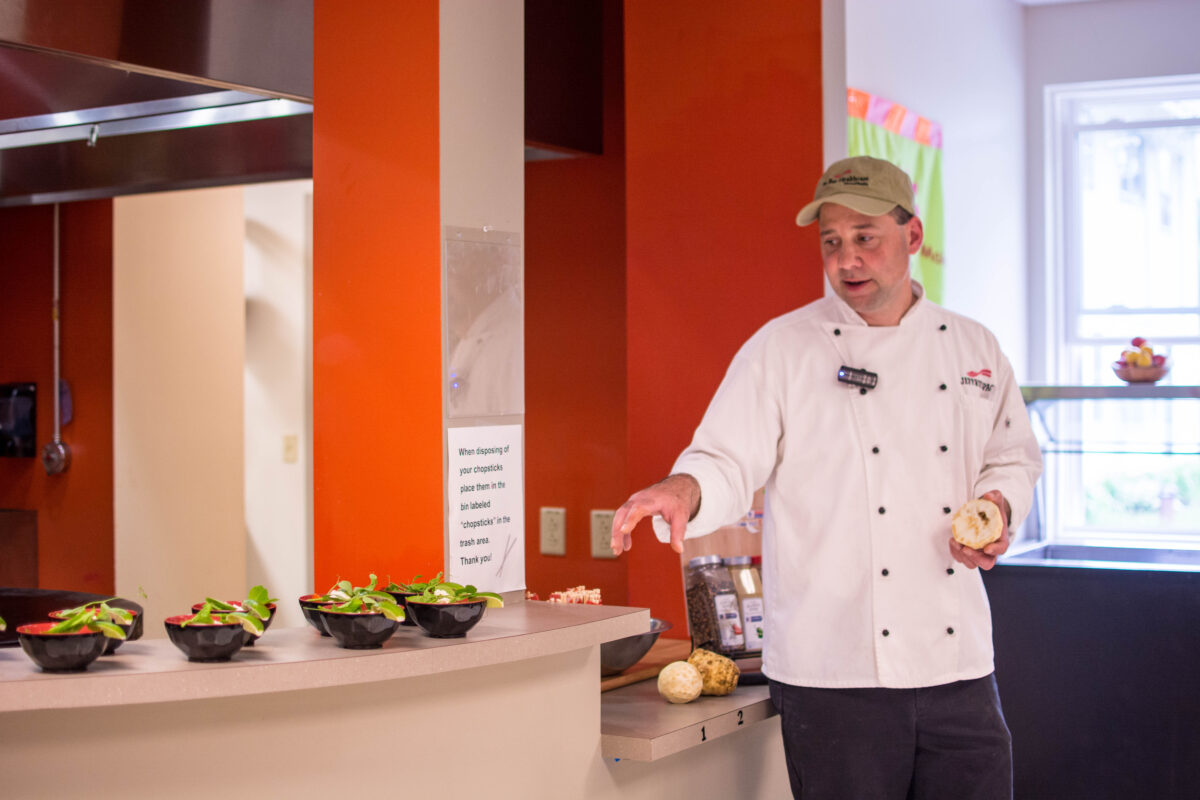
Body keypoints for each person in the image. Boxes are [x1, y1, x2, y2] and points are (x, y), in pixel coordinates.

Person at [609, 155, 1042, 800]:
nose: (847, 261)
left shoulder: (974, 347)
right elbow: (726, 458)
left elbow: (1012, 457)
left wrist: (999, 506)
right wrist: (681, 490)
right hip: (833, 676)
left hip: (957, 668)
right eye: (831, 243)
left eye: (866, 238)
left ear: (913, 237)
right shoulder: (781, 349)